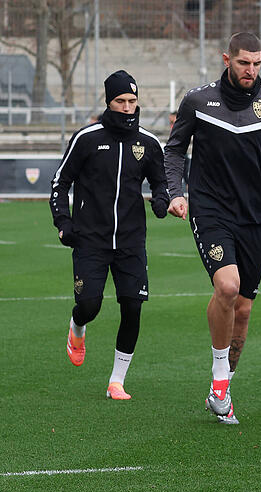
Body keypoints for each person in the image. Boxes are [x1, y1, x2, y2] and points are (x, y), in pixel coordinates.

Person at [164, 32, 261, 424]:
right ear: (227, 59)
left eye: (256, 64)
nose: (250, 71)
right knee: (227, 286)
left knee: (244, 308)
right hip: (210, 209)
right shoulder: (198, 101)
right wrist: (175, 192)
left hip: (256, 212)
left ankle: (222, 388)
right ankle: (219, 376)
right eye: (243, 63)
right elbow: (174, 149)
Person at [50, 70, 172, 400]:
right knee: (89, 305)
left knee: (132, 307)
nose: (128, 107)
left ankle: (116, 381)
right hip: (90, 239)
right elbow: (60, 183)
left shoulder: (148, 143)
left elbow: (161, 183)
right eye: (121, 101)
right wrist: (63, 222)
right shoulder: (87, 138)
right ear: (109, 101)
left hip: (131, 241)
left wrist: (162, 201)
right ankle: (77, 326)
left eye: (133, 101)